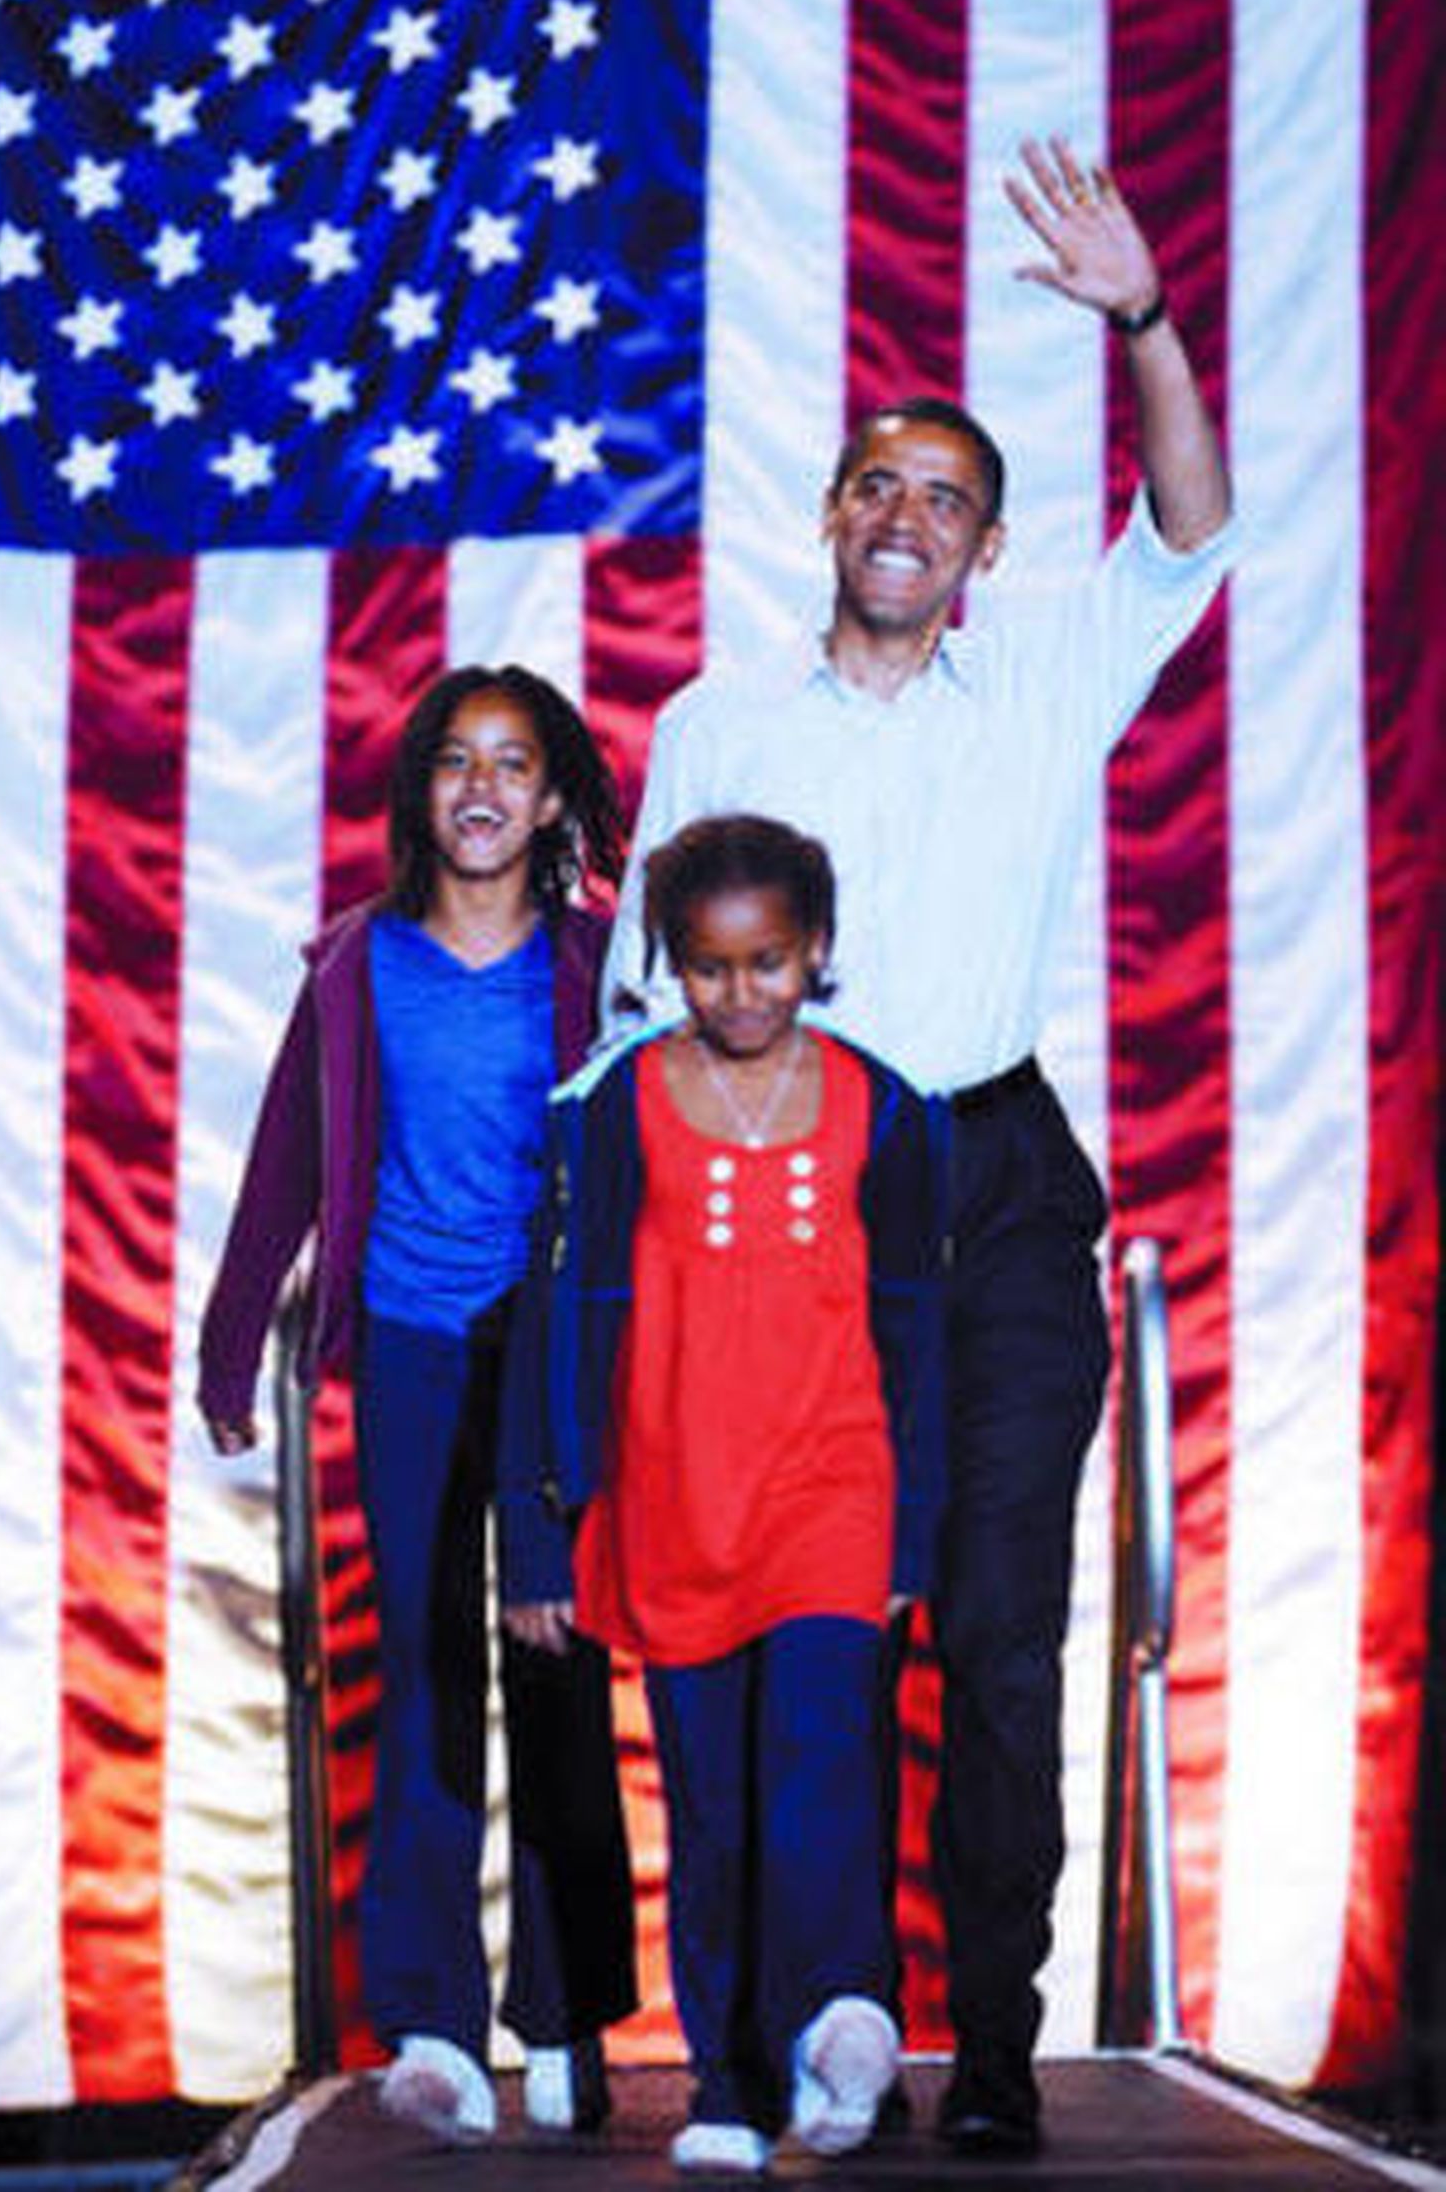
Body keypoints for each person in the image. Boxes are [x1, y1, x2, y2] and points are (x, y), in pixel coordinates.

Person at [599, 138, 1235, 2155]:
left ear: (983, 548)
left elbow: (1195, 531)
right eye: (877, 485)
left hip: (996, 1179)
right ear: (828, 515)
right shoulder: (720, 722)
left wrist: (1143, 319)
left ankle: (997, 2047)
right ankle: (824, 2030)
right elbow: (640, 1006)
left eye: (944, 499)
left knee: (997, 1628)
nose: (904, 518)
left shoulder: (1043, 673)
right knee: (814, 1630)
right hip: (787, 1194)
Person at [198, 665, 638, 2141]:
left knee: (559, 1669)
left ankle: (567, 2018)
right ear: (419, 792)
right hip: (413, 1349)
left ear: (555, 800)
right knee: (429, 1671)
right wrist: (227, 1343)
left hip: (552, 1362)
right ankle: (434, 2019)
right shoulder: (356, 964)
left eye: (514, 763)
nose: (482, 787)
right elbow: (285, 1163)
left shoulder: (596, 964)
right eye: (456, 760)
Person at [501, 814, 946, 2174]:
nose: (741, 992)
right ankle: (731, 2085)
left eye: (768, 963)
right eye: (708, 966)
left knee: (821, 1767)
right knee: (713, 1813)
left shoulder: (885, 1106)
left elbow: (918, 1334)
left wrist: (913, 1527)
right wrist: (538, 1535)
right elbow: (552, 1329)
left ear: (816, 951)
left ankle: (837, 2019)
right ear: (671, 964)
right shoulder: (613, 1110)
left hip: (832, 1491)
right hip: (677, 1499)